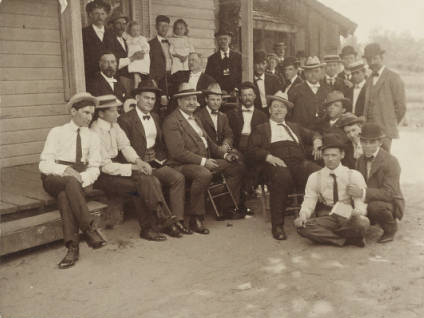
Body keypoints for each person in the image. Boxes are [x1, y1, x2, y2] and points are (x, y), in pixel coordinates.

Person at [91, 95, 182, 241]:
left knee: (145, 179)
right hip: (102, 176)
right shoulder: (95, 132)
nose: (118, 114)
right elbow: (106, 167)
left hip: (117, 169)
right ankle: (155, 224)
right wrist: (134, 167)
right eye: (113, 111)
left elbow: (125, 146)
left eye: (118, 110)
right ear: (101, 113)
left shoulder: (114, 125)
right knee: (141, 185)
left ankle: (160, 221)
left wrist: (139, 162)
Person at [163, 83, 246, 230]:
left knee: (236, 166)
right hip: (180, 164)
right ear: (179, 102)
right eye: (187, 99)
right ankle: (196, 218)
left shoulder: (195, 117)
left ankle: (224, 207)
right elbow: (178, 152)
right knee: (203, 174)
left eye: (194, 99)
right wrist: (203, 161)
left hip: (204, 160)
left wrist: (226, 155)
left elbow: (210, 144)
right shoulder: (172, 121)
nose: (191, 102)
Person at [39, 92, 106, 269]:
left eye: (92, 113)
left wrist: (82, 178)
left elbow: (94, 166)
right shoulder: (57, 132)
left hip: (78, 181)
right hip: (54, 177)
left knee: (64, 196)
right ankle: (89, 229)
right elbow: (45, 163)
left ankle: (72, 248)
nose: (89, 117)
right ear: (73, 112)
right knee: (68, 183)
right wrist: (66, 170)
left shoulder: (93, 137)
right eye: (85, 112)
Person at [118, 78, 191, 235]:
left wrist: (161, 158)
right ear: (137, 98)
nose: (150, 102)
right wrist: (139, 163)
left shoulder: (156, 117)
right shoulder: (125, 119)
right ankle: (163, 223)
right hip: (137, 164)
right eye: (146, 98)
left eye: (152, 99)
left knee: (177, 177)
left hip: (155, 161)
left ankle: (177, 220)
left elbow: (160, 143)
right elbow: (123, 149)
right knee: (154, 182)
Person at [248, 91, 322, 240]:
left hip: (298, 162)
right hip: (276, 163)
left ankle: (323, 218)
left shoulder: (294, 127)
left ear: (287, 111)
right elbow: (251, 149)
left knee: (319, 173)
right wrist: (268, 156)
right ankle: (278, 225)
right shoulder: (261, 129)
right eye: (275, 106)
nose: (278, 110)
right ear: (269, 110)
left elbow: (314, 134)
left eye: (282, 107)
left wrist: (317, 141)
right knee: (282, 177)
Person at [294, 135, 370, 247]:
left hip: (348, 213)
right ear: (322, 156)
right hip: (328, 215)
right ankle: (346, 240)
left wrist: (358, 212)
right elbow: (309, 200)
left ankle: (331, 235)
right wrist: (303, 216)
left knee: (363, 223)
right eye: (326, 155)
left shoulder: (353, 175)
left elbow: (360, 202)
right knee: (302, 228)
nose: (330, 159)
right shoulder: (315, 177)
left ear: (342, 155)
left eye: (334, 155)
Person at [350, 123, 405, 243]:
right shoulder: (360, 160)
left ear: (380, 142)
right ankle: (370, 221)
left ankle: (390, 228)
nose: (367, 146)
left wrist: (362, 192)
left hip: (390, 202)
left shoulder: (391, 161)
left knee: (375, 207)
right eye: (364, 142)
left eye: (372, 142)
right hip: (368, 198)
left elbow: (389, 193)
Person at [363, 43, 406, 152]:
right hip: (368, 129)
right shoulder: (368, 79)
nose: (372, 62)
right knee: (369, 159)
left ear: (381, 58)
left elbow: (401, 107)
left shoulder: (393, 77)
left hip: (384, 131)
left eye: (375, 58)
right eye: (369, 59)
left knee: (384, 160)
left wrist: (390, 121)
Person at [288, 56, 330, 130]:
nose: (313, 74)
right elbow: (289, 113)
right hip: (302, 131)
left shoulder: (327, 89)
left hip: (323, 132)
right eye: (310, 71)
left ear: (320, 72)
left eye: (316, 71)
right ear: (305, 73)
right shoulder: (296, 90)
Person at [108, 12, 146, 94]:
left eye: (124, 24)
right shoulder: (109, 40)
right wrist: (132, 58)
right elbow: (114, 63)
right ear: (112, 25)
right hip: (118, 79)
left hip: (130, 79)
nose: (122, 27)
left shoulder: (125, 41)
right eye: (118, 23)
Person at [82, 0, 114, 83]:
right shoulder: (83, 33)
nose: (100, 17)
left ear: (106, 15)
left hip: (109, 76)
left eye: (102, 14)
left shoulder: (111, 33)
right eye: (96, 13)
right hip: (91, 76)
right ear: (90, 15)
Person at [205, 30, 242, 94]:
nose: (223, 41)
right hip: (218, 94)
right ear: (217, 41)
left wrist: (236, 89)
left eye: (225, 39)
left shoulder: (238, 57)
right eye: (220, 39)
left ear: (230, 40)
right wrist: (218, 90)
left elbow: (241, 75)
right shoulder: (212, 59)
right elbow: (208, 78)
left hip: (235, 94)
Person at [149, 15, 173, 110]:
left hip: (169, 79)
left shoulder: (169, 43)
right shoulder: (150, 44)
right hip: (157, 80)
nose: (164, 28)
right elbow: (148, 64)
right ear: (156, 27)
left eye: (166, 26)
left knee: (169, 106)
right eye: (161, 26)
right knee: (158, 106)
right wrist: (152, 80)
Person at [126, 21, 151, 89]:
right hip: (133, 57)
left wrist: (143, 51)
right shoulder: (129, 39)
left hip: (140, 58)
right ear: (129, 31)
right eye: (133, 30)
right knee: (135, 72)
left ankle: (136, 85)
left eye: (137, 30)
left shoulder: (141, 39)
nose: (135, 32)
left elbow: (147, 47)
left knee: (136, 70)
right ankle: (137, 80)